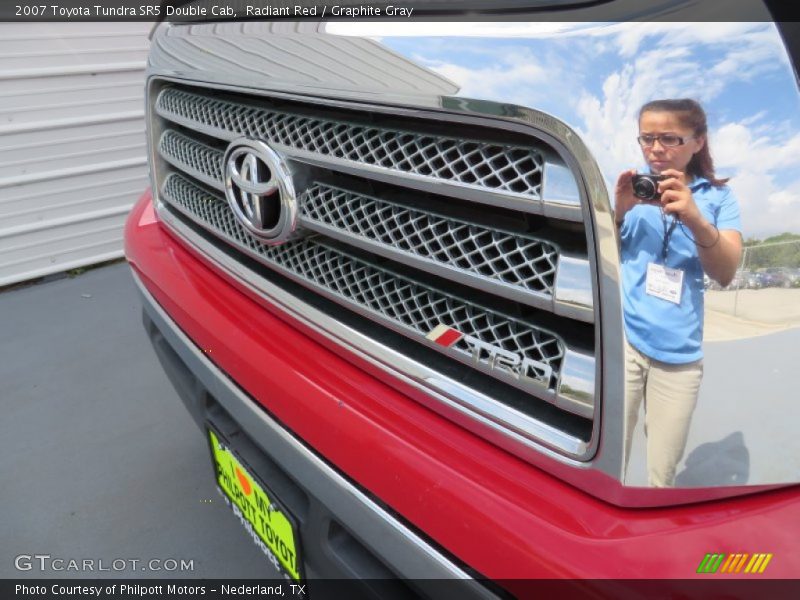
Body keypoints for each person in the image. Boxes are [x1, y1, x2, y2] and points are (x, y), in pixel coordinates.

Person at [615, 99, 743, 487]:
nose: (655, 149)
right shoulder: (634, 190)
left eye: (669, 138)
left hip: (679, 356)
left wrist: (695, 218)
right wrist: (619, 211)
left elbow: (725, 272)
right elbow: (602, 258)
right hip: (624, 343)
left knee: (662, 473)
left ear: (697, 142)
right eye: (647, 138)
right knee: (608, 459)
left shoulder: (719, 198)